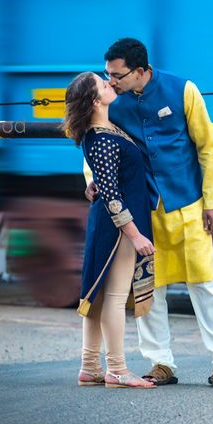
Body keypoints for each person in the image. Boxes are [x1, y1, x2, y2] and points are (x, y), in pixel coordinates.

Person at [85, 38, 213, 389]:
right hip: (143, 210)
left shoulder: (183, 90)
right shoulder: (112, 103)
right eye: (107, 74)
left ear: (140, 71)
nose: (110, 82)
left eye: (116, 75)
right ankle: (160, 363)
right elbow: (97, 144)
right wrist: (92, 179)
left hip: (188, 206)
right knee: (148, 290)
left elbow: (207, 146)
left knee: (205, 284)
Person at [64, 72, 158, 389]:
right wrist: (136, 235)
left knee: (99, 297)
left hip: (108, 223)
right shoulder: (101, 138)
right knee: (115, 298)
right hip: (117, 227)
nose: (110, 84)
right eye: (103, 84)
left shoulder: (106, 130)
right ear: (95, 100)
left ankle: (90, 366)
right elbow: (114, 198)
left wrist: (95, 183)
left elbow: (108, 182)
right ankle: (117, 370)